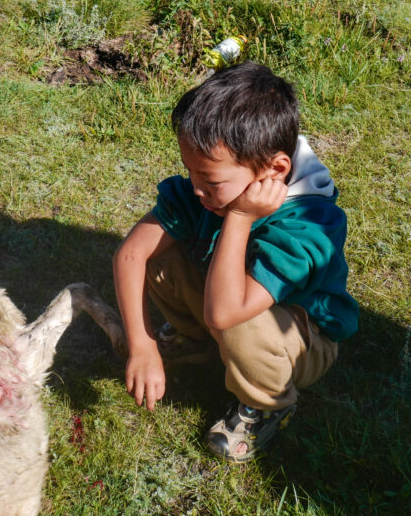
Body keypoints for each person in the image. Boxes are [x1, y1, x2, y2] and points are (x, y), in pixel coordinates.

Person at [112, 62, 358, 463]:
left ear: (275, 170)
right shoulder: (205, 191)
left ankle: (266, 403)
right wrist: (142, 345)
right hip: (224, 307)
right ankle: (200, 341)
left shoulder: (309, 227)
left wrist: (240, 217)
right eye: (190, 171)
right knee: (161, 258)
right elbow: (131, 254)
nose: (195, 188)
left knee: (240, 323)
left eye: (210, 180)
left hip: (299, 340)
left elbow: (227, 311)